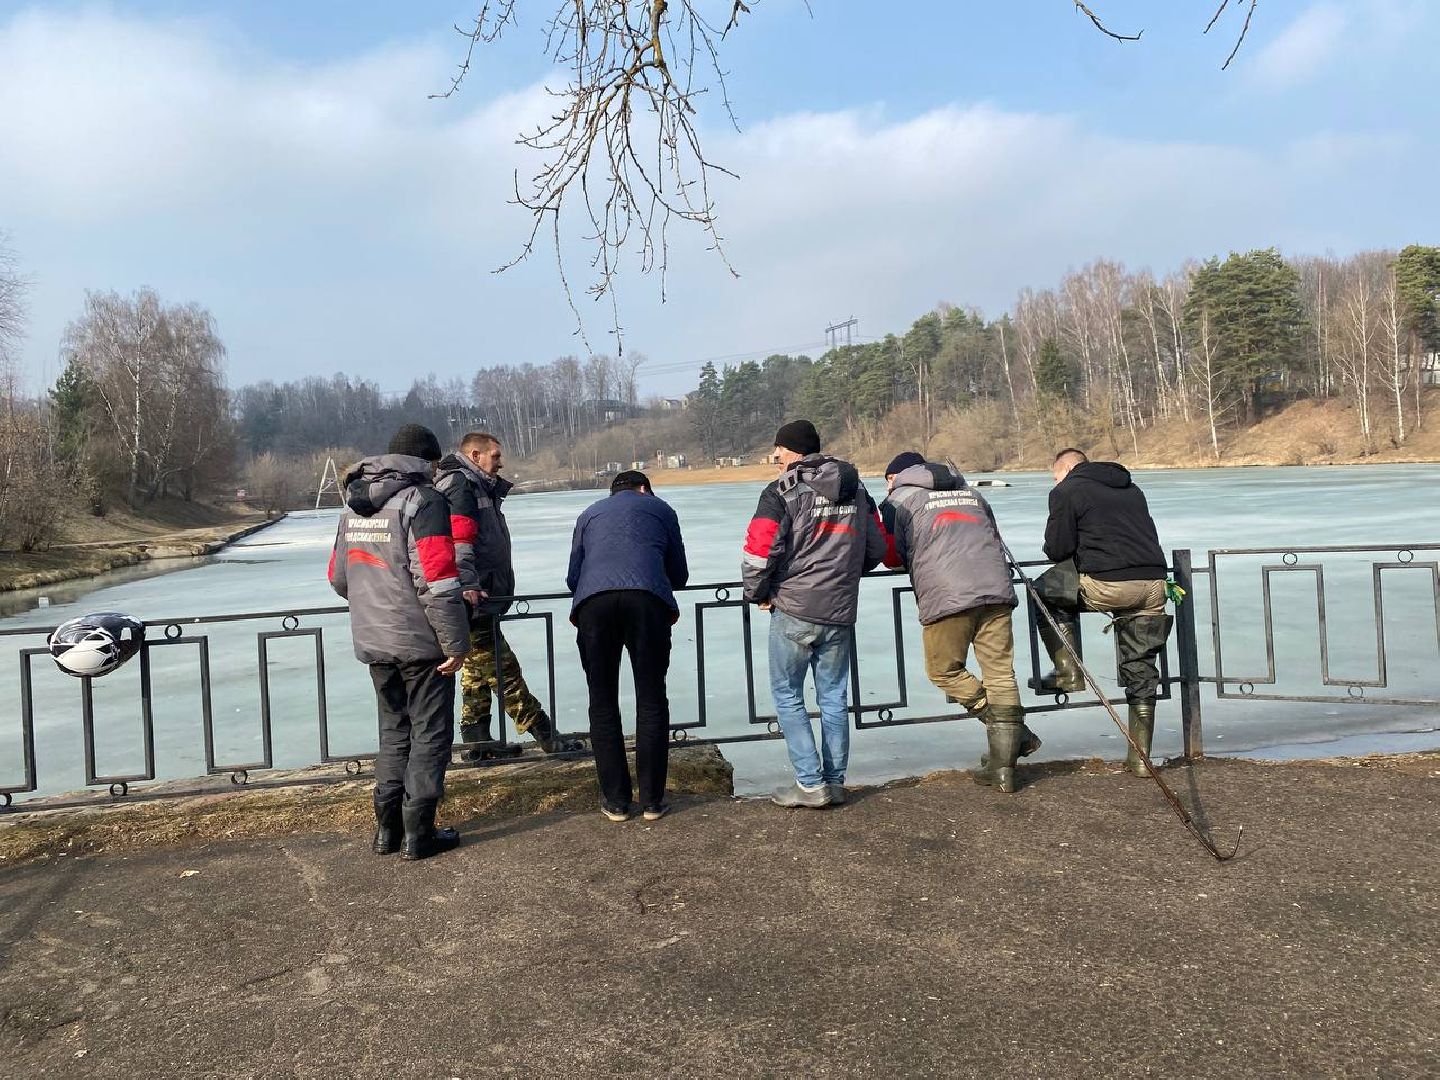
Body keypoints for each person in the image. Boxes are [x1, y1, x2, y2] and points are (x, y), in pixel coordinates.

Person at [327, 424, 471, 860]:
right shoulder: (424, 502)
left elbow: (339, 577)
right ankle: (418, 834)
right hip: (420, 642)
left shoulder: (352, 507)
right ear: (429, 461)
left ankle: (386, 832)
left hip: (373, 639)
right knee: (430, 734)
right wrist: (455, 643)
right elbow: (438, 581)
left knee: (393, 733)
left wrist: (376, 606)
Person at [741, 420, 886, 808]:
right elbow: (876, 548)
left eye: (778, 450)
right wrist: (842, 573)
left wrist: (757, 593)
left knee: (788, 694)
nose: (775, 457)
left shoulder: (781, 491)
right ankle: (835, 782)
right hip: (839, 609)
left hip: (794, 607)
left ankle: (809, 783)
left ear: (792, 451)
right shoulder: (857, 489)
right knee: (834, 696)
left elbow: (759, 549)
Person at [880, 452, 1040, 794]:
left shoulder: (898, 500)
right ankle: (1003, 767)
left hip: (946, 595)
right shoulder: (972, 494)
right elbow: (993, 537)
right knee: (1001, 674)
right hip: (996, 589)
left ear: (894, 477)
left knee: (944, 671)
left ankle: (1016, 736)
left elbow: (892, 557)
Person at [435, 431, 582, 756]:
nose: (501, 463)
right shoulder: (462, 486)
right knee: (504, 672)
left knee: (476, 672)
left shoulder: (476, 486)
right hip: (472, 599)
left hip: (481, 596)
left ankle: (478, 744)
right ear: (475, 455)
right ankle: (548, 738)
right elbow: (460, 542)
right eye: (496, 456)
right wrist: (469, 585)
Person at [1036, 448, 1173, 776]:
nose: (1054, 483)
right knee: (1141, 668)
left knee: (1043, 590)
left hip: (1109, 584)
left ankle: (1068, 672)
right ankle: (1141, 760)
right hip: (1154, 583)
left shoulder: (1066, 491)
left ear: (1066, 470)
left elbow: (1058, 549)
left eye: (1055, 477)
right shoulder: (1131, 488)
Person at [566, 471, 689, 822]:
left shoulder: (589, 514)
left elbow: (573, 577)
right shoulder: (661, 509)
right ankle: (652, 801)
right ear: (644, 488)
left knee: (602, 700)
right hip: (647, 602)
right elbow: (679, 575)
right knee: (651, 697)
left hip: (594, 606)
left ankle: (617, 802)